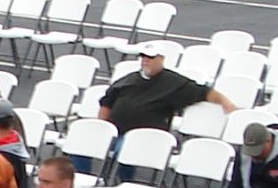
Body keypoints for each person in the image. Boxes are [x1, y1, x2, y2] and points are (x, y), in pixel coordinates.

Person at [97, 43, 232, 135]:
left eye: (151, 57)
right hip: (115, 132)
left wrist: (225, 101)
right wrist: (102, 129)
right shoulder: (128, 80)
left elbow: (204, 92)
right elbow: (107, 102)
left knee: (124, 152)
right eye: (143, 56)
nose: (145, 60)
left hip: (146, 138)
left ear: (161, 59)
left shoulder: (173, 82)